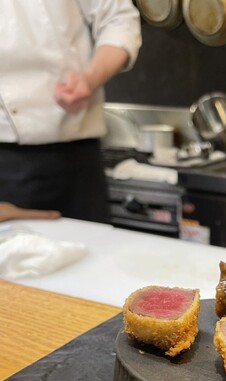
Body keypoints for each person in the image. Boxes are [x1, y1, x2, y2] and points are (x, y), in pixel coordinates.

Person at [0, 0, 142, 223]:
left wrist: (90, 78)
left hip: (72, 153)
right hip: (5, 155)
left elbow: (118, 19)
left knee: (88, 245)